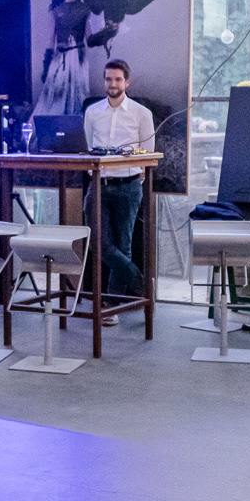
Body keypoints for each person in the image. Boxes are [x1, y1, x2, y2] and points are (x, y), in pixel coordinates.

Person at [83, 58, 155, 321]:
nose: (112, 84)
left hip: (128, 186)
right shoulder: (92, 112)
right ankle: (140, 282)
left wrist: (139, 171)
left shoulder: (141, 113)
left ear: (126, 82)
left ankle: (111, 307)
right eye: (108, 79)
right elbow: (89, 148)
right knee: (98, 243)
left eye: (117, 79)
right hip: (99, 185)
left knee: (123, 245)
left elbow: (148, 154)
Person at [32, 0, 100, 118]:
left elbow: (89, 37)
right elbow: (51, 37)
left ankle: (77, 127)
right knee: (55, 93)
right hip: (60, 57)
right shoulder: (56, 10)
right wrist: (46, 63)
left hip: (78, 57)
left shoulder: (84, 9)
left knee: (79, 92)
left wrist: (105, 34)